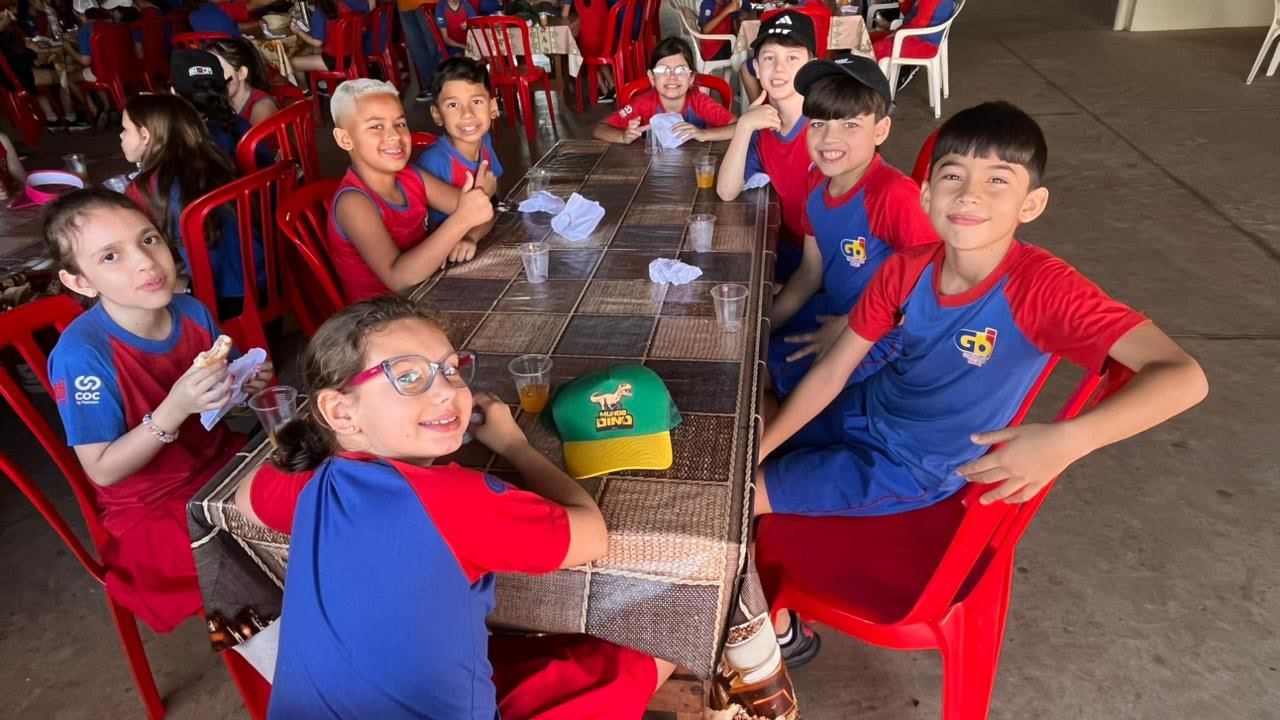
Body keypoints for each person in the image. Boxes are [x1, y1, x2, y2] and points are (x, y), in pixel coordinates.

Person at [757, 101, 1208, 659]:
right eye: (953, 176)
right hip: (864, 410)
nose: (970, 195)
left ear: (1031, 204)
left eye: (998, 180)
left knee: (737, 501)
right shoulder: (906, 269)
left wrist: (1071, 439)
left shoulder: (1041, 288)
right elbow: (831, 372)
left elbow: (1184, 377)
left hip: (913, 463)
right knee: (746, 436)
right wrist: (764, 445)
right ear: (927, 196)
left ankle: (772, 641)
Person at [231, 295, 673, 719]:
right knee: (659, 642)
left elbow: (244, 498)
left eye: (449, 369)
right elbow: (592, 536)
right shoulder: (452, 499)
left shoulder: (312, 481)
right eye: (408, 377)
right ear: (340, 411)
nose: (446, 391)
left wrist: (336, 436)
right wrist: (515, 446)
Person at [44, 188, 273, 633]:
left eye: (148, 239)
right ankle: (277, 656)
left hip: (220, 466)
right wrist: (174, 408)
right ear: (80, 282)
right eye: (110, 256)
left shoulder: (191, 311)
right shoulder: (82, 356)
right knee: (261, 552)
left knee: (317, 489)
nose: (145, 262)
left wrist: (243, 385)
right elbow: (103, 470)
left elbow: (219, 398)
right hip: (151, 510)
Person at [766, 53, 937, 399]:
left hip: (884, 333)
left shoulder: (892, 194)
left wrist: (852, 326)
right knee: (744, 349)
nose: (829, 139)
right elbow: (810, 272)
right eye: (818, 124)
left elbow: (934, 289)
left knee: (758, 383)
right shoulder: (816, 181)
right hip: (834, 307)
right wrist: (763, 326)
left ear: (880, 130)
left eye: (850, 125)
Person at [325, 79, 492, 303]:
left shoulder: (412, 177)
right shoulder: (354, 203)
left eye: (400, 124)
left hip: (426, 292)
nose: (395, 135)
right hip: (383, 315)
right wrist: (462, 220)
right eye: (376, 127)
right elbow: (398, 278)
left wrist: (470, 236)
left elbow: (482, 212)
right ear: (345, 139)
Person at [120, 93, 264, 313]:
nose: (121, 136)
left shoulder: (146, 187)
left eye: (125, 129)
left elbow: (137, 244)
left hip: (222, 299)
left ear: (145, 135)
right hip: (264, 276)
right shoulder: (216, 160)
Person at [716, 9, 816, 282]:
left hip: (824, 262)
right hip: (782, 248)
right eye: (769, 58)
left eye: (792, 57)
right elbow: (727, 191)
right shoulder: (761, 127)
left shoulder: (825, 127)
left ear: (812, 67)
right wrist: (744, 126)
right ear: (757, 69)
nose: (779, 68)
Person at [417, 56, 501, 261]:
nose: (467, 114)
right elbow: (430, 231)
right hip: (445, 256)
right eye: (453, 105)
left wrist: (472, 236)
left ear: (492, 107)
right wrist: (485, 201)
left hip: (474, 241)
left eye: (476, 102)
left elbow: (490, 204)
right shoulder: (435, 162)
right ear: (437, 114)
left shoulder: (484, 142)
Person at [593, 36, 736, 145]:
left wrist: (704, 134)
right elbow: (600, 128)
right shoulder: (642, 104)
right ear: (652, 77)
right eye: (662, 70)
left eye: (681, 70)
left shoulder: (700, 102)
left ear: (691, 78)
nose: (672, 77)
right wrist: (623, 137)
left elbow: (737, 126)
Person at [170, 48, 274, 168]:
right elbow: (269, 163)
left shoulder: (174, 141)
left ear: (173, 92)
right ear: (224, 88)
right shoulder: (240, 127)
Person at [208, 37, 280, 126]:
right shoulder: (218, 101)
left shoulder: (262, 107)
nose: (211, 77)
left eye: (219, 70)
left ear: (242, 73)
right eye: (209, 70)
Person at [396, 0, 440, 102]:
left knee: (433, 46)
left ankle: (441, 83)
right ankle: (430, 86)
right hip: (404, 6)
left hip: (426, 3)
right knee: (417, 50)